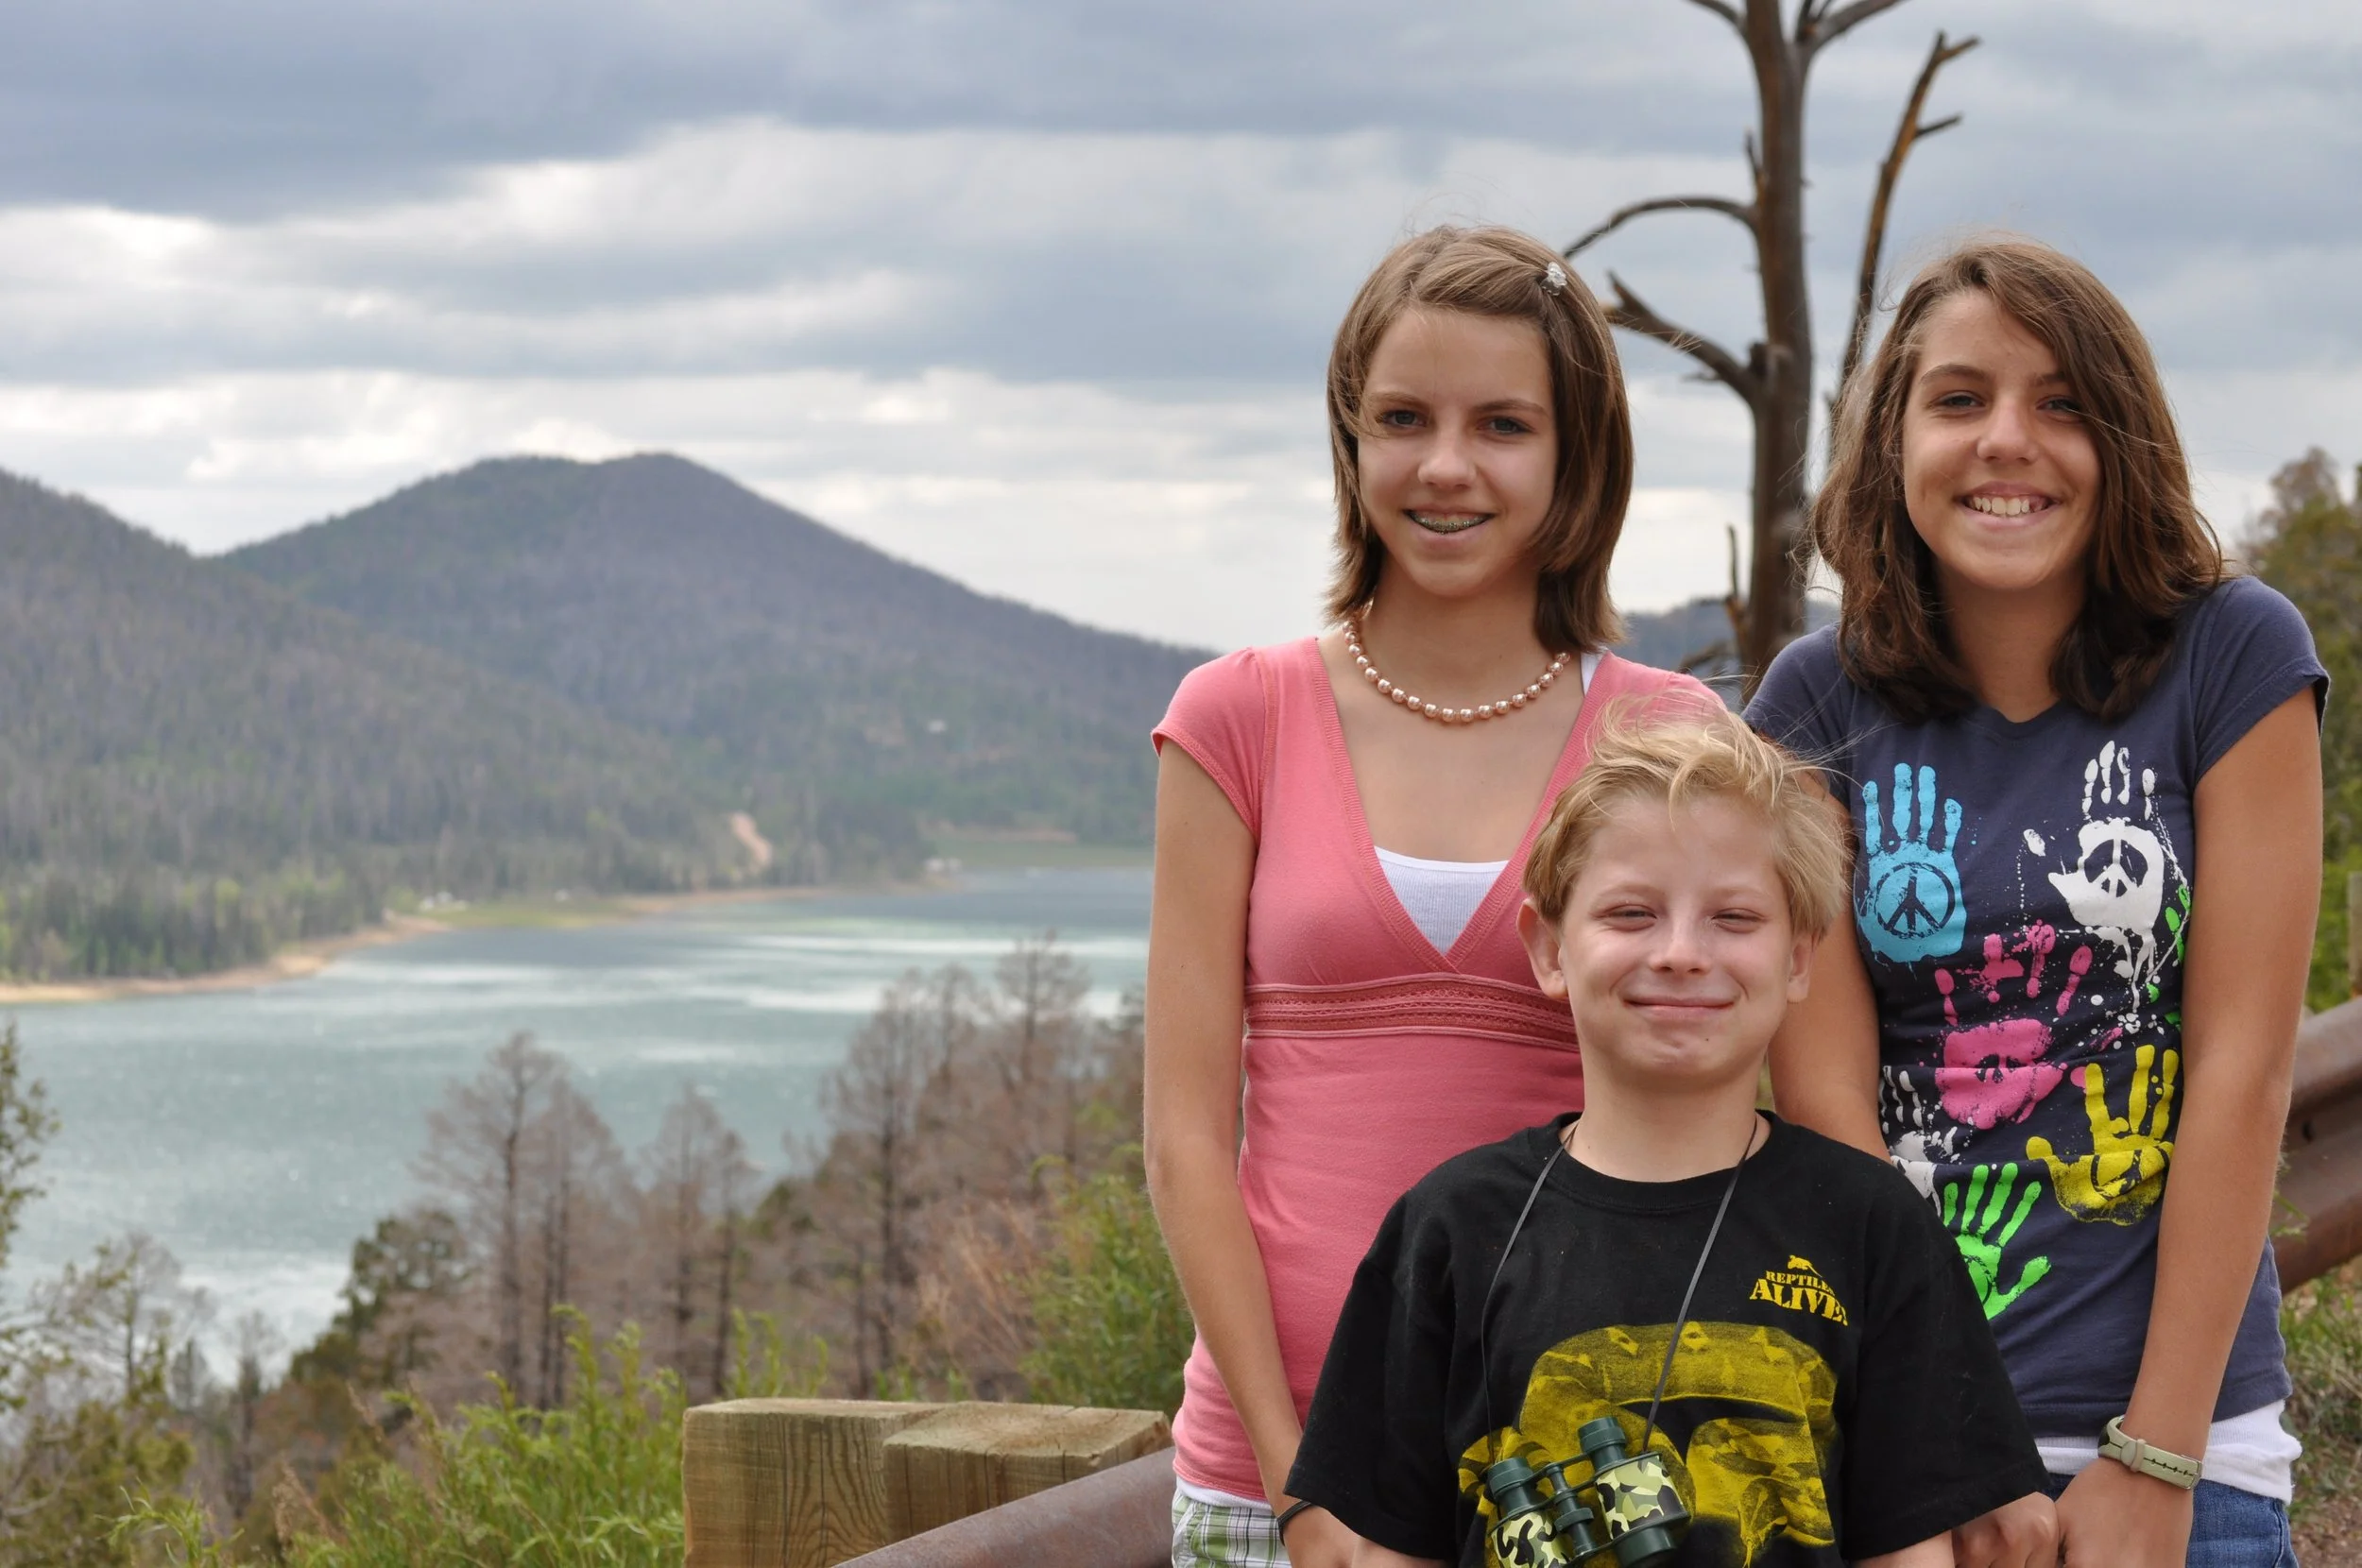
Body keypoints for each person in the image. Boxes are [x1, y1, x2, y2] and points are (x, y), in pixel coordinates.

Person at [1747, 238, 2325, 1567]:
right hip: (1902, 1453)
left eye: (2062, 403)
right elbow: (1828, 1110)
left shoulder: (2235, 657)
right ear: (1894, 442)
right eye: (1959, 400)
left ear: (2122, 441)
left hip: (2188, 1450)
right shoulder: (1812, 704)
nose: (2009, 441)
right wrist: (1937, 1450)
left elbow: (2240, 1073)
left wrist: (2158, 1456)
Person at [1145, 225, 1714, 1568]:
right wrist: (1305, 1489)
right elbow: (1182, 1139)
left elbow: (1744, 1108)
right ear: (1350, 444)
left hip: (1588, 1475)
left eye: (1503, 424)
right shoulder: (1236, 718)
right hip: (1266, 1475)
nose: (1445, 466)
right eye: (1402, 418)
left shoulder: (1670, 740)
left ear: (1575, 459)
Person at [1286, 708, 2048, 1568]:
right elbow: (1394, 1548)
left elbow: (1912, 1551)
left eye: (1734, 918)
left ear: (1800, 959)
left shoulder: (1873, 1230)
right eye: (1631, 913)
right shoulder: (1450, 1231)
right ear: (1549, 949)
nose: (1683, 953)